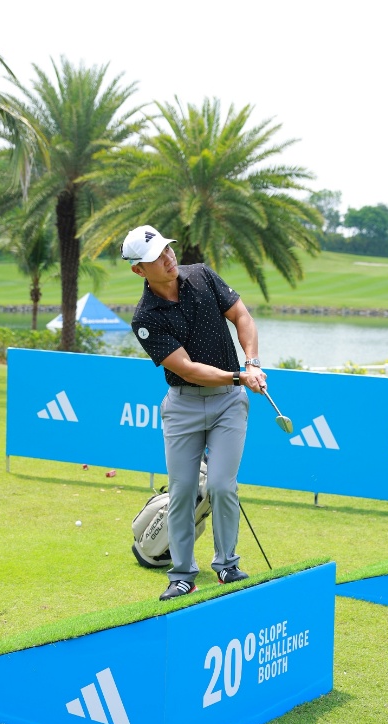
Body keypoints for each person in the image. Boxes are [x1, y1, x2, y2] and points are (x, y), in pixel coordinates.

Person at [124, 225, 268, 600]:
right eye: (156, 258)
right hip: (183, 405)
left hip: (228, 403)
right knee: (183, 491)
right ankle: (183, 574)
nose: (167, 258)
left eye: (167, 249)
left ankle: (227, 565)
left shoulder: (202, 275)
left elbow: (242, 317)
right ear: (139, 270)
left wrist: (252, 361)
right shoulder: (145, 318)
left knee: (221, 485)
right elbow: (187, 369)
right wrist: (239, 376)